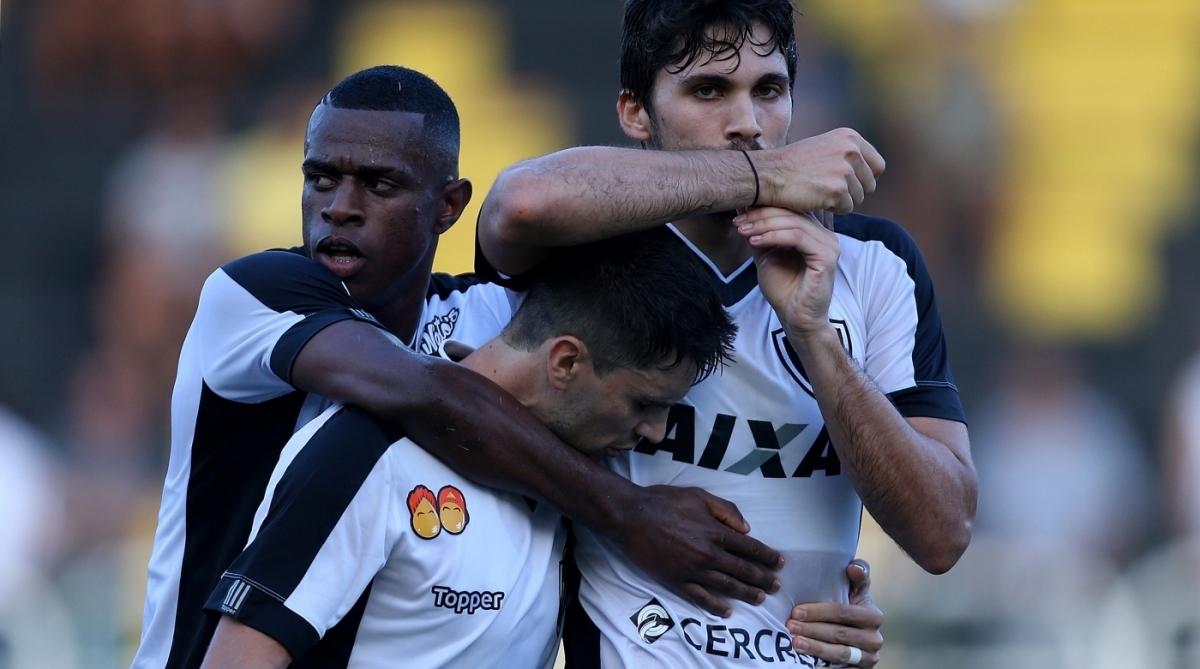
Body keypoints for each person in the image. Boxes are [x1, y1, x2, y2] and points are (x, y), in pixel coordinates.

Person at [130, 65, 876, 669]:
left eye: (379, 184)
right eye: (321, 178)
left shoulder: (494, 323)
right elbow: (428, 394)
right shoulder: (255, 296)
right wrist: (763, 172)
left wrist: (801, 607)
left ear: (451, 204)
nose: (339, 207)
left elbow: (603, 386)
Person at [476, 1, 977, 666]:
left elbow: (943, 532)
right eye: (708, 90)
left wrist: (817, 339)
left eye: (769, 91)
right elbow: (519, 202)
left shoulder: (874, 264)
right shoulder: (591, 247)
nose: (747, 122)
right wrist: (767, 175)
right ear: (634, 112)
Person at [195, 230, 739, 668]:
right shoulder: (368, 453)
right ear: (566, 362)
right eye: (644, 403)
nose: (657, 432)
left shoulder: (572, 491)